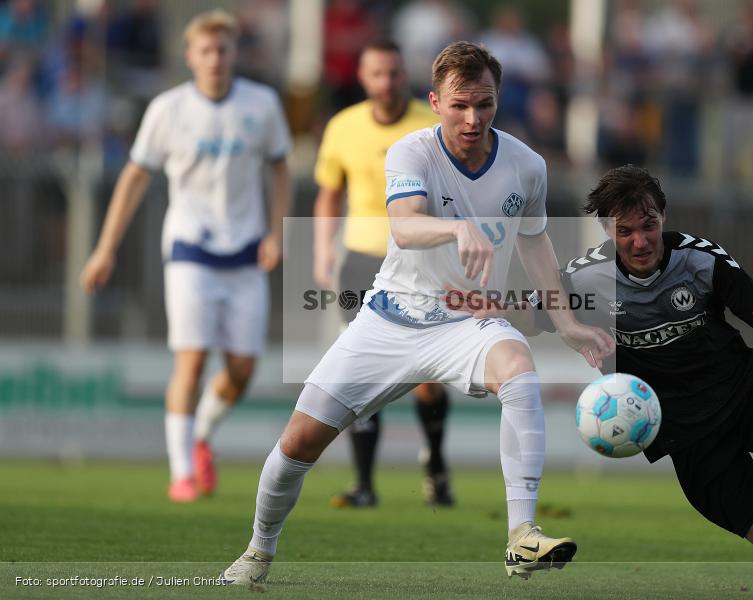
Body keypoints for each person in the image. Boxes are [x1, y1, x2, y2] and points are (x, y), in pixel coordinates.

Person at [219, 41, 612, 587]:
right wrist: (457, 229)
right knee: (298, 444)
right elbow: (404, 226)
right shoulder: (411, 151)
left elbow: (534, 242)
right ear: (434, 102)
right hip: (390, 321)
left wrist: (566, 322)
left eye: (485, 104)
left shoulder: (527, 165)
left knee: (520, 370)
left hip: (467, 323)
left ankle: (522, 535)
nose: (473, 118)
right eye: (460, 105)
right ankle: (257, 553)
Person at [465, 165, 753, 599]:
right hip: (688, 438)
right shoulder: (585, 278)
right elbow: (529, 314)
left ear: (664, 217)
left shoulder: (701, 259)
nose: (640, 241)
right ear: (607, 231)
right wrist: (478, 304)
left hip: (748, 397)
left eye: (648, 226)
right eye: (625, 231)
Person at [80, 10, 292, 503]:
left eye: (223, 50)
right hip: (190, 248)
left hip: (245, 251)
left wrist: (276, 233)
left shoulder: (261, 104)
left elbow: (280, 167)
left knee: (241, 370)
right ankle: (181, 474)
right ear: (190, 56)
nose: (215, 59)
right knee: (191, 360)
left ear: (234, 54)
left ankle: (200, 435)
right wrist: (105, 248)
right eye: (206, 51)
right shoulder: (168, 109)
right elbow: (135, 176)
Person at [313, 39, 454, 509]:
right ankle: (364, 484)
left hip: (419, 262)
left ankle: (435, 465)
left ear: (404, 75)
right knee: (359, 370)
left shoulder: (429, 125)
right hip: (359, 258)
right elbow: (330, 193)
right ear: (363, 77)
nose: (387, 82)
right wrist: (322, 250)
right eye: (377, 73)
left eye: (394, 73)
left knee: (427, 375)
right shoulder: (343, 127)